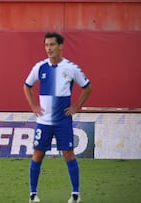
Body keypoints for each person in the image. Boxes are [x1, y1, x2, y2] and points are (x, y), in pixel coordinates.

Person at [23, 32, 92, 203]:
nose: (49, 48)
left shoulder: (70, 68)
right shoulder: (40, 67)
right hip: (43, 122)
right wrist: (33, 106)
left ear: (60, 46)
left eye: (52, 45)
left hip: (63, 121)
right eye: (46, 45)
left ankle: (75, 194)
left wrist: (77, 106)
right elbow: (26, 86)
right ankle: (33, 194)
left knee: (69, 154)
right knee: (37, 155)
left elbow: (87, 87)